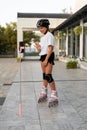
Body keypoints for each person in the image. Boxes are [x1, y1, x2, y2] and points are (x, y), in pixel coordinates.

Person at [35, 19, 58, 107]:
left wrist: (46, 60)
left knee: (48, 75)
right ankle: (44, 91)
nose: (41, 29)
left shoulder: (50, 35)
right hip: (42, 56)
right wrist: (38, 47)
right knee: (44, 75)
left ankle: (54, 94)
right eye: (39, 28)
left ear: (47, 27)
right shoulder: (42, 37)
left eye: (42, 28)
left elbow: (50, 48)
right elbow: (41, 50)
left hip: (48, 56)